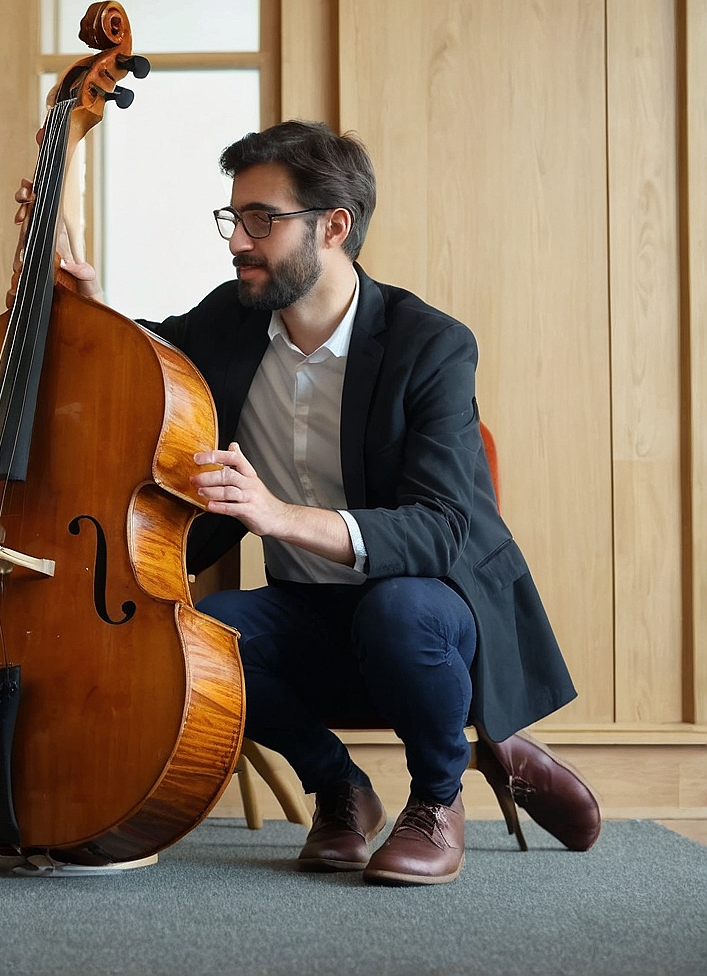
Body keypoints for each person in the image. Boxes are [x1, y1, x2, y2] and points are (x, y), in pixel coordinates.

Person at [53, 119, 600, 885]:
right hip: (309, 612)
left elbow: (442, 530)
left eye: (262, 220)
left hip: (429, 611)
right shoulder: (233, 319)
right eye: (234, 218)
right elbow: (147, 364)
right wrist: (91, 301)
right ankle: (340, 787)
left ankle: (438, 799)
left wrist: (275, 515)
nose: (238, 240)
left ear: (334, 227)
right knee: (198, 635)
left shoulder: (430, 346)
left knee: (398, 612)